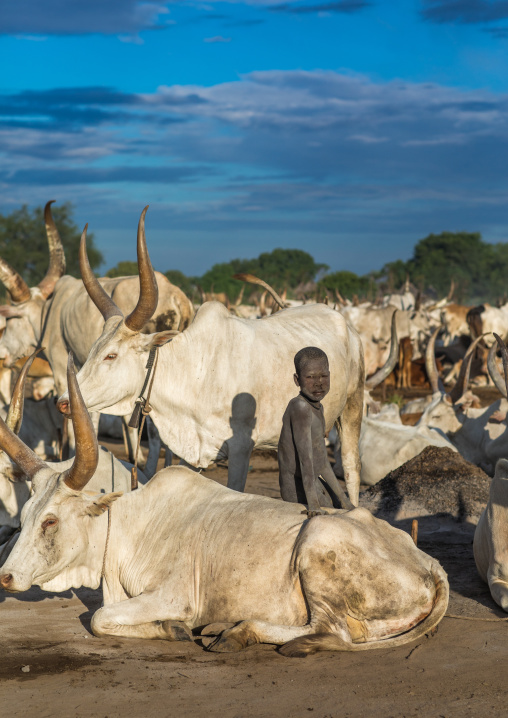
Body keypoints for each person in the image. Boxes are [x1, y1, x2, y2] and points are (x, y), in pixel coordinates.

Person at [278, 346, 353, 516]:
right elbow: (306, 461)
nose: (318, 382)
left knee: (340, 508)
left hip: (311, 480)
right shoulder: (300, 408)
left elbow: (321, 461)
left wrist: (344, 500)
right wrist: (313, 505)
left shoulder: (318, 408)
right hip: (296, 486)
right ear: (297, 380)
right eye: (310, 377)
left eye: (324, 376)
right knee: (331, 513)